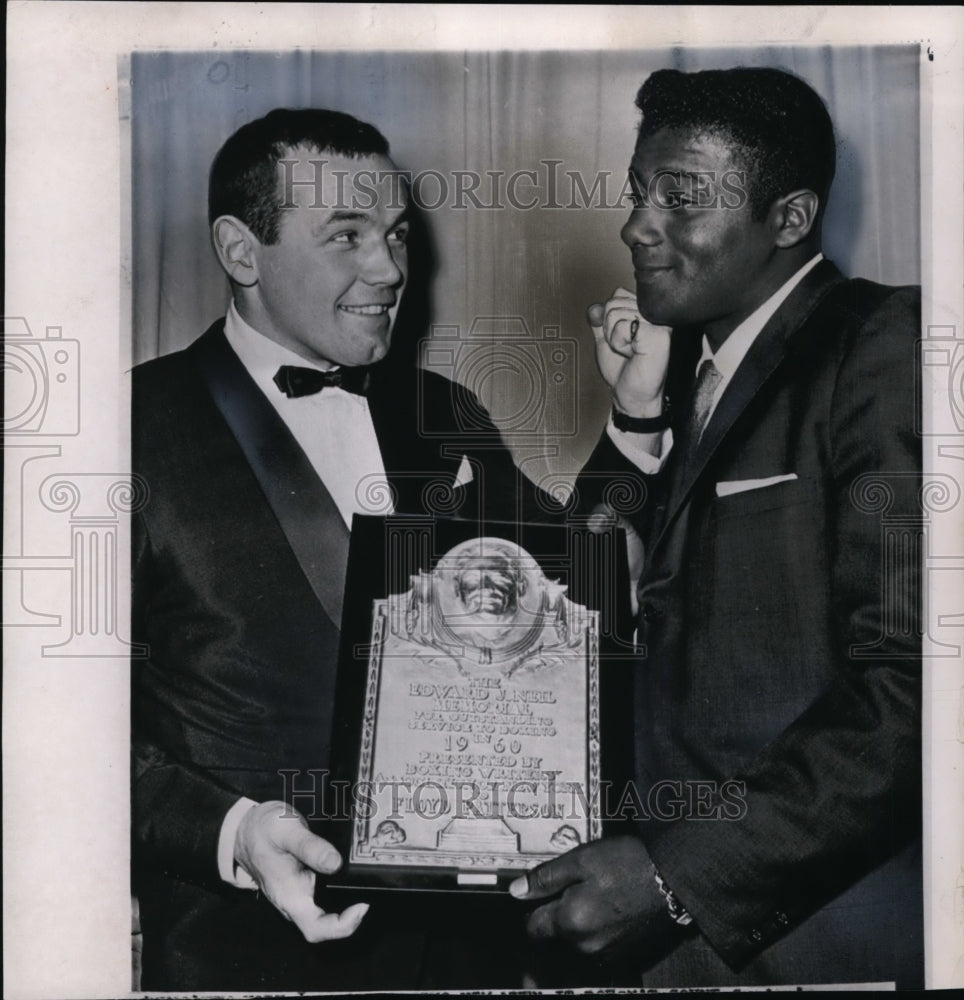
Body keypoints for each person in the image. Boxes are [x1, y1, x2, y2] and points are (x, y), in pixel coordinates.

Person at [511, 67, 923, 988]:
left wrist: (672, 878)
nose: (634, 225)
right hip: (683, 950)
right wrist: (634, 419)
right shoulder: (696, 372)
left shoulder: (883, 343)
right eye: (636, 193)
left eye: (680, 197)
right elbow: (572, 615)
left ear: (790, 218)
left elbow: (915, 687)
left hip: (817, 942)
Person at [131, 107, 553, 991]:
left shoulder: (450, 413)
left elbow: (572, 590)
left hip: (472, 958)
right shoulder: (120, 432)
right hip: (243, 959)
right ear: (242, 252)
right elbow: (48, 737)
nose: (390, 269)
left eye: (395, 234)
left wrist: (635, 425)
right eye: (348, 236)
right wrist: (231, 830)